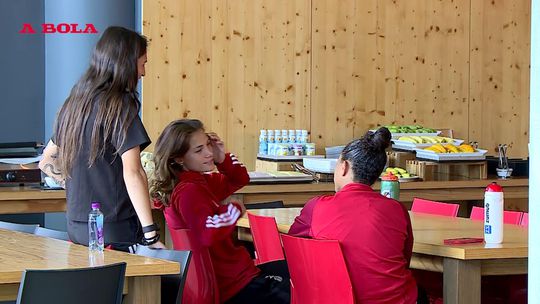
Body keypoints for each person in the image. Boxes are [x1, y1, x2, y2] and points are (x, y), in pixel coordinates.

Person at [39, 26, 164, 251]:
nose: (143, 72)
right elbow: (133, 172)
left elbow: (47, 160)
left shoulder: (74, 105)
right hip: (114, 227)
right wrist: (151, 235)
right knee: (136, 286)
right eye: (142, 63)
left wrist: (76, 183)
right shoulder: (120, 106)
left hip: (77, 226)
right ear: (126, 63)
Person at [150, 119, 290, 304]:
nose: (208, 153)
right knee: (303, 278)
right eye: (199, 150)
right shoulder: (189, 192)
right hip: (234, 284)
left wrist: (222, 158)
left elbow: (239, 178)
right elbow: (208, 231)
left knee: (292, 269)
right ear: (178, 158)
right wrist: (234, 209)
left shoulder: (197, 182)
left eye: (208, 145)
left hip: (232, 278)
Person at [288, 127, 419, 304]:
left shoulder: (317, 207)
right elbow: (404, 260)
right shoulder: (397, 209)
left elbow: (292, 250)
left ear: (344, 167)